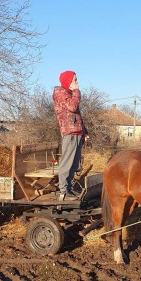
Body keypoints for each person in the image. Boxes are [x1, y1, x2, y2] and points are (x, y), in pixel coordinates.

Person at [52, 70, 88, 200]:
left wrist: (85, 132)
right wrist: (76, 92)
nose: (77, 83)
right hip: (69, 132)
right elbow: (73, 107)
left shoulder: (70, 94)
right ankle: (63, 192)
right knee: (67, 163)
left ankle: (69, 189)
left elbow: (77, 115)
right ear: (68, 81)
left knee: (74, 164)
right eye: (75, 80)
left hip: (77, 132)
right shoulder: (60, 92)